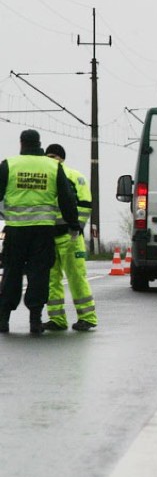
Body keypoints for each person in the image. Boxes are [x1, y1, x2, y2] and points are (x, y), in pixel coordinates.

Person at [0, 130, 79, 335]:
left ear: (22, 144)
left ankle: (3, 319)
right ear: (39, 144)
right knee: (39, 274)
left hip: (16, 231)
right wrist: (73, 223)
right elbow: (66, 198)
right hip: (43, 232)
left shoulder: (9, 164)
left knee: (11, 273)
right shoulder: (53, 166)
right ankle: (35, 320)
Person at [42, 144, 98, 332]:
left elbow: (84, 205)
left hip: (57, 236)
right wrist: (77, 227)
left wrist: (75, 228)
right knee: (70, 278)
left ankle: (70, 318)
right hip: (66, 235)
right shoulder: (75, 176)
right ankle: (73, 318)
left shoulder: (58, 176)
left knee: (58, 279)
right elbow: (85, 204)